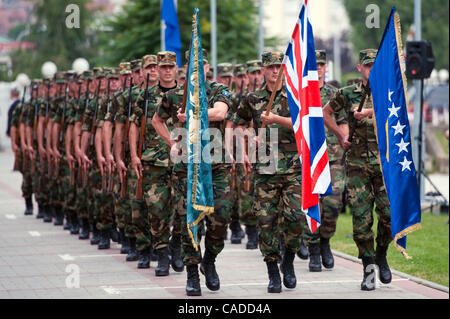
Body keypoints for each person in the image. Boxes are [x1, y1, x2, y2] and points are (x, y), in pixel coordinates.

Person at [152, 49, 232, 296]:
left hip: (216, 168)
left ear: (207, 68)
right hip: (186, 169)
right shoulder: (176, 95)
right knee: (190, 221)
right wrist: (172, 143)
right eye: (194, 65)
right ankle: (192, 273)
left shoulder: (218, 90)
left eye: (203, 64)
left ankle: (209, 259)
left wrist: (192, 114)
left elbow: (220, 113)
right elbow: (157, 120)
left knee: (221, 219)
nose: (199, 69)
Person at [233, 51, 305, 293]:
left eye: (279, 67)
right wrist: (250, 136)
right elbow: (239, 124)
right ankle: (273, 271)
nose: (275, 71)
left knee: (295, 219)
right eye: (271, 67)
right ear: (263, 70)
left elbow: (304, 123)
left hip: (294, 167)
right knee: (266, 223)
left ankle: (289, 260)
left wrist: (275, 119)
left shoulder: (295, 97)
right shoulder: (252, 98)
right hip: (265, 170)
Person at [322, 49, 392, 291]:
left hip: (386, 166)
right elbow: (326, 112)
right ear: (360, 68)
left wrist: (370, 112)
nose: (372, 70)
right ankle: (369, 268)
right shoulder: (348, 93)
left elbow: (397, 115)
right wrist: (341, 134)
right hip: (357, 167)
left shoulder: (390, 92)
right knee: (361, 222)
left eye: (376, 66)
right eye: (368, 66)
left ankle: (381, 252)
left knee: (390, 217)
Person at [129, 51, 184, 275]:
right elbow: (134, 125)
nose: (167, 71)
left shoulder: (185, 94)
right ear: (157, 70)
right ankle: (162, 255)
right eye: (163, 67)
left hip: (181, 160)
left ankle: (177, 247)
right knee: (157, 210)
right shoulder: (146, 95)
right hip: (153, 160)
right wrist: (134, 155)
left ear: (176, 69)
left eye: (171, 67)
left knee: (182, 208)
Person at [300, 50, 347, 272]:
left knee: (332, 205)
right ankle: (314, 250)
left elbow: (343, 122)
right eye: (314, 64)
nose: (317, 68)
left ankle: (325, 241)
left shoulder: (334, 93)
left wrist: (343, 138)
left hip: (334, 158)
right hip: (309, 159)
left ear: (324, 67)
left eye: (320, 64)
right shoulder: (301, 93)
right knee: (311, 204)